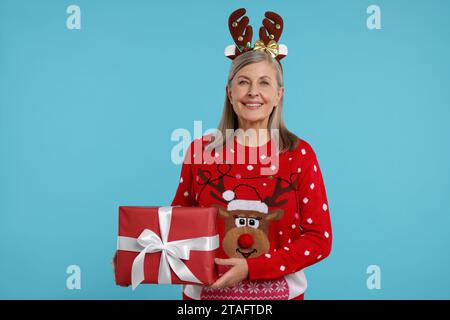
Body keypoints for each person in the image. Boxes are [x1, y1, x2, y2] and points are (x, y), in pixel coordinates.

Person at [171, 8, 332, 300]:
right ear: (230, 93)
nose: (252, 92)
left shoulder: (300, 155)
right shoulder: (200, 151)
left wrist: (252, 267)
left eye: (264, 82)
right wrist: (140, 255)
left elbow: (319, 239)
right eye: (243, 81)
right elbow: (178, 224)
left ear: (279, 95)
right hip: (204, 297)